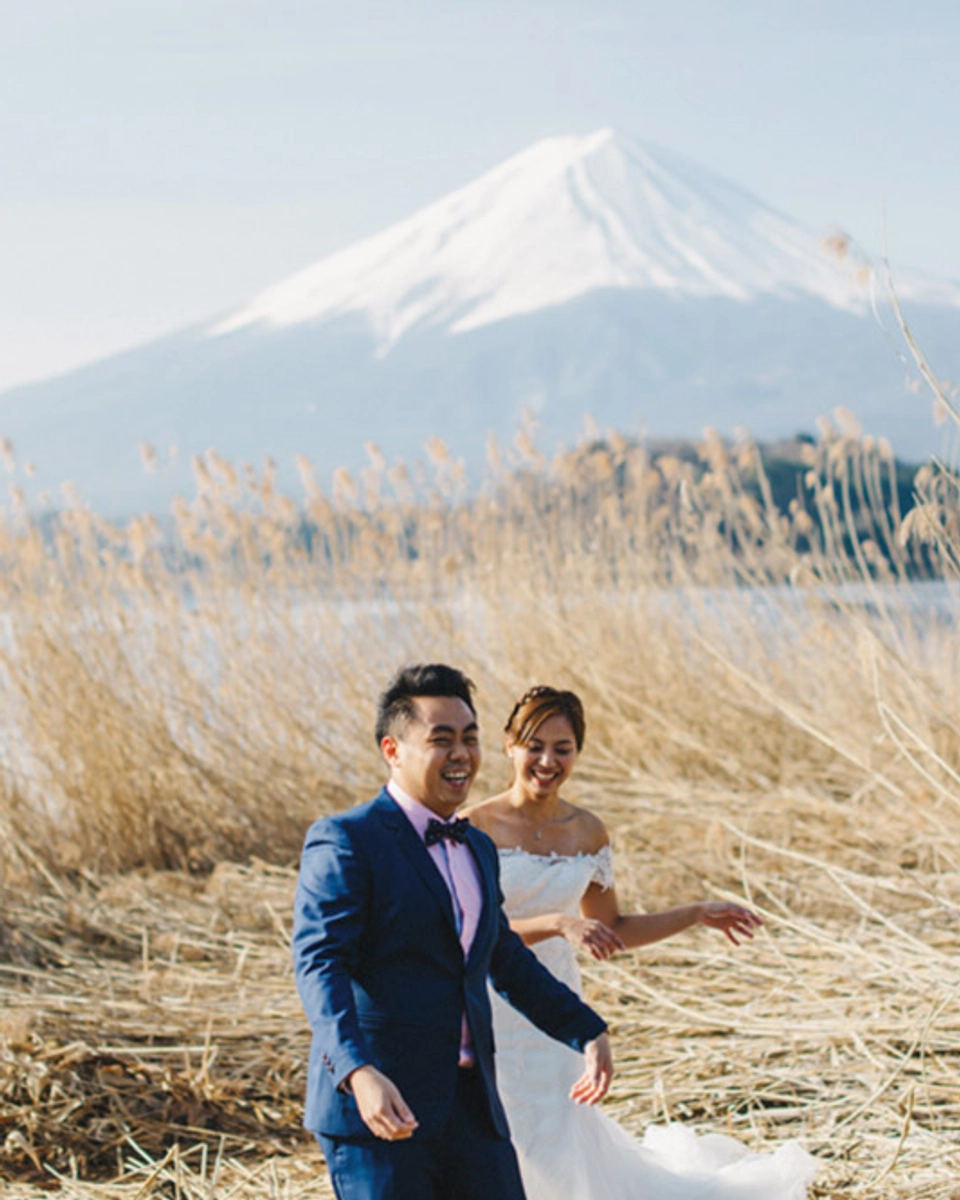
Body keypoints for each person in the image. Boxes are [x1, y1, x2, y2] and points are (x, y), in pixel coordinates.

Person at [464, 685, 817, 1200]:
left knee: (556, 1128)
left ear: (578, 753)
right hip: (492, 1001)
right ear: (509, 745)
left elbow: (615, 928)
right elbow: (473, 931)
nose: (547, 760)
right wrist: (560, 922)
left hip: (557, 1004)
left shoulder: (587, 832)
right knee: (497, 1126)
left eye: (563, 748)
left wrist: (695, 914)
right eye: (534, 745)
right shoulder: (474, 826)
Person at [292, 664, 612, 1200]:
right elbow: (320, 965)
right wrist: (358, 1072)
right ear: (393, 750)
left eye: (470, 738)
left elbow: (503, 956)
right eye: (441, 740)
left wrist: (586, 1029)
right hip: (382, 1107)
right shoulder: (348, 840)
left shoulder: (477, 846)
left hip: (473, 1107)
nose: (461, 754)